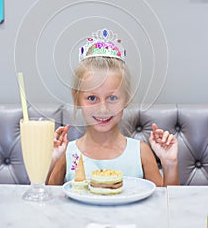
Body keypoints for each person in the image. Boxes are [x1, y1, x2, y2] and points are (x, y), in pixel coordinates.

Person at [47, 29, 179, 186]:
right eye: (92, 98)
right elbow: (46, 204)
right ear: (77, 98)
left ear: (126, 100)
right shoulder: (67, 153)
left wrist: (169, 164)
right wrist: (50, 161)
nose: (102, 109)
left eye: (112, 98)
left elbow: (164, 205)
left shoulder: (140, 152)